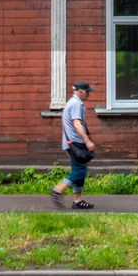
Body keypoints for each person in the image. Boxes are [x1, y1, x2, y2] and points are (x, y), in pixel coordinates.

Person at [52, 81, 97, 210]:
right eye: (87, 92)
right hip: (76, 143)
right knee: (80, 171)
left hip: (71, 143)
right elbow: (77, 124)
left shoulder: (71, 103)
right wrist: (87, 141)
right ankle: (58, 190)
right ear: (81, 91)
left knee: (79, 171)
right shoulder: (76, 103)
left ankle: (78, 201)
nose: (89, 94)